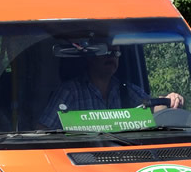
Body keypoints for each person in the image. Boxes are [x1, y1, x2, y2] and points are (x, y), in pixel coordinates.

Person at [38, 46, 183, 129]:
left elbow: (151, 107)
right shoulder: (70, 91)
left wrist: (169, 100)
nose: (112, 57)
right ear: (90, 57)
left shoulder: (125, 89)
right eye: (106, 52)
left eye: (116, 53)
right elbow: (43, 130)